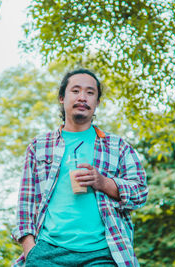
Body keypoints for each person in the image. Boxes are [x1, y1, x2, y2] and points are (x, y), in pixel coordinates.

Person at [11, 69, 148, 266]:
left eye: (90, 92)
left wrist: (103, 182)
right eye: (75, 91)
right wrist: (30, 249)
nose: (83, 97)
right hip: (47, 252)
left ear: (97, 102)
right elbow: (26, 203)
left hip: (102, 253)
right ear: (61, 97)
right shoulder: (39, 146)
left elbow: (140, 192)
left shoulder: (118, 146)